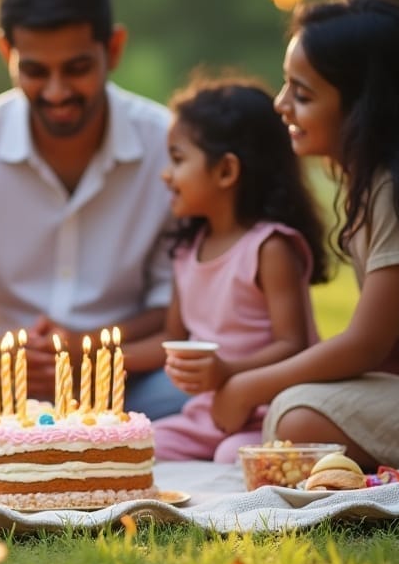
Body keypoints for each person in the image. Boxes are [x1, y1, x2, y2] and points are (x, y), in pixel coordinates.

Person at [211, 0, 399, 469]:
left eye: (302, 94)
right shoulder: (381, 179)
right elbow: (388, 352)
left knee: (296, 416)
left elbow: (367, 343)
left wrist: (248, 386)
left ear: (363, 107)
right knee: (294, 405)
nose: (280, 104)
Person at [0, 0, 183, 418]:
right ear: (6, 51)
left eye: (77, 68)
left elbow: (171, 306)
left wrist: (85, 350)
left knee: (192, 396)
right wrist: (5, 358)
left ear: (114, 48)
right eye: (34, 70)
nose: (56, 91)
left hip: (129, 378)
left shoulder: (169, 147)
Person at [136, 77, 328, 462]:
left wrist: (228, 371)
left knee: (230, 456)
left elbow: (293, 345)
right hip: (207, 414)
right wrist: (93, 356)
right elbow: (172, 337)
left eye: (178, 159)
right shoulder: (187, 250)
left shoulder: (269, 248)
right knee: (138, 446)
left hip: (270, 409)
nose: (166, 174)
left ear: (226, 171)